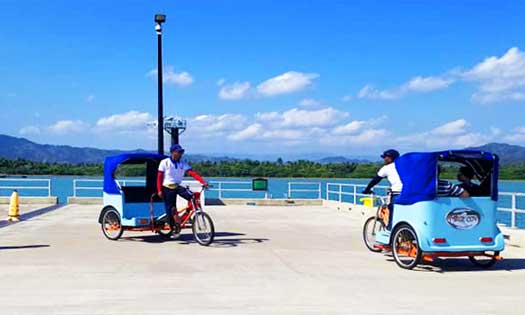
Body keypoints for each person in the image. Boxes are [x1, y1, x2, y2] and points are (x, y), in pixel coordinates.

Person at [157, 144, 208, 236]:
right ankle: (173, 227)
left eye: (181, 152)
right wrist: (159, 190)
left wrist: (203, 182)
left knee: (192, 196)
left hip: (177, 186)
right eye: (179, 152)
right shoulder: (165, 162)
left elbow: (192, 173)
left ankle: (186, 216)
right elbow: (159, 177)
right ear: (173, 152)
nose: (181, 154)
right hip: (167, 188)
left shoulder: (182, 163)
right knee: (171, 208)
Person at [362, 149, 402, 230]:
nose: (384, 159)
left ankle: (390, 231)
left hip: (397, 193)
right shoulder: (403, 165)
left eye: (385, 157)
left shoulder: (386, 168)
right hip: (410, 192)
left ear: (390, 158)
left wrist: (367, 189)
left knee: (392, 212)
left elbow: (375, 180)